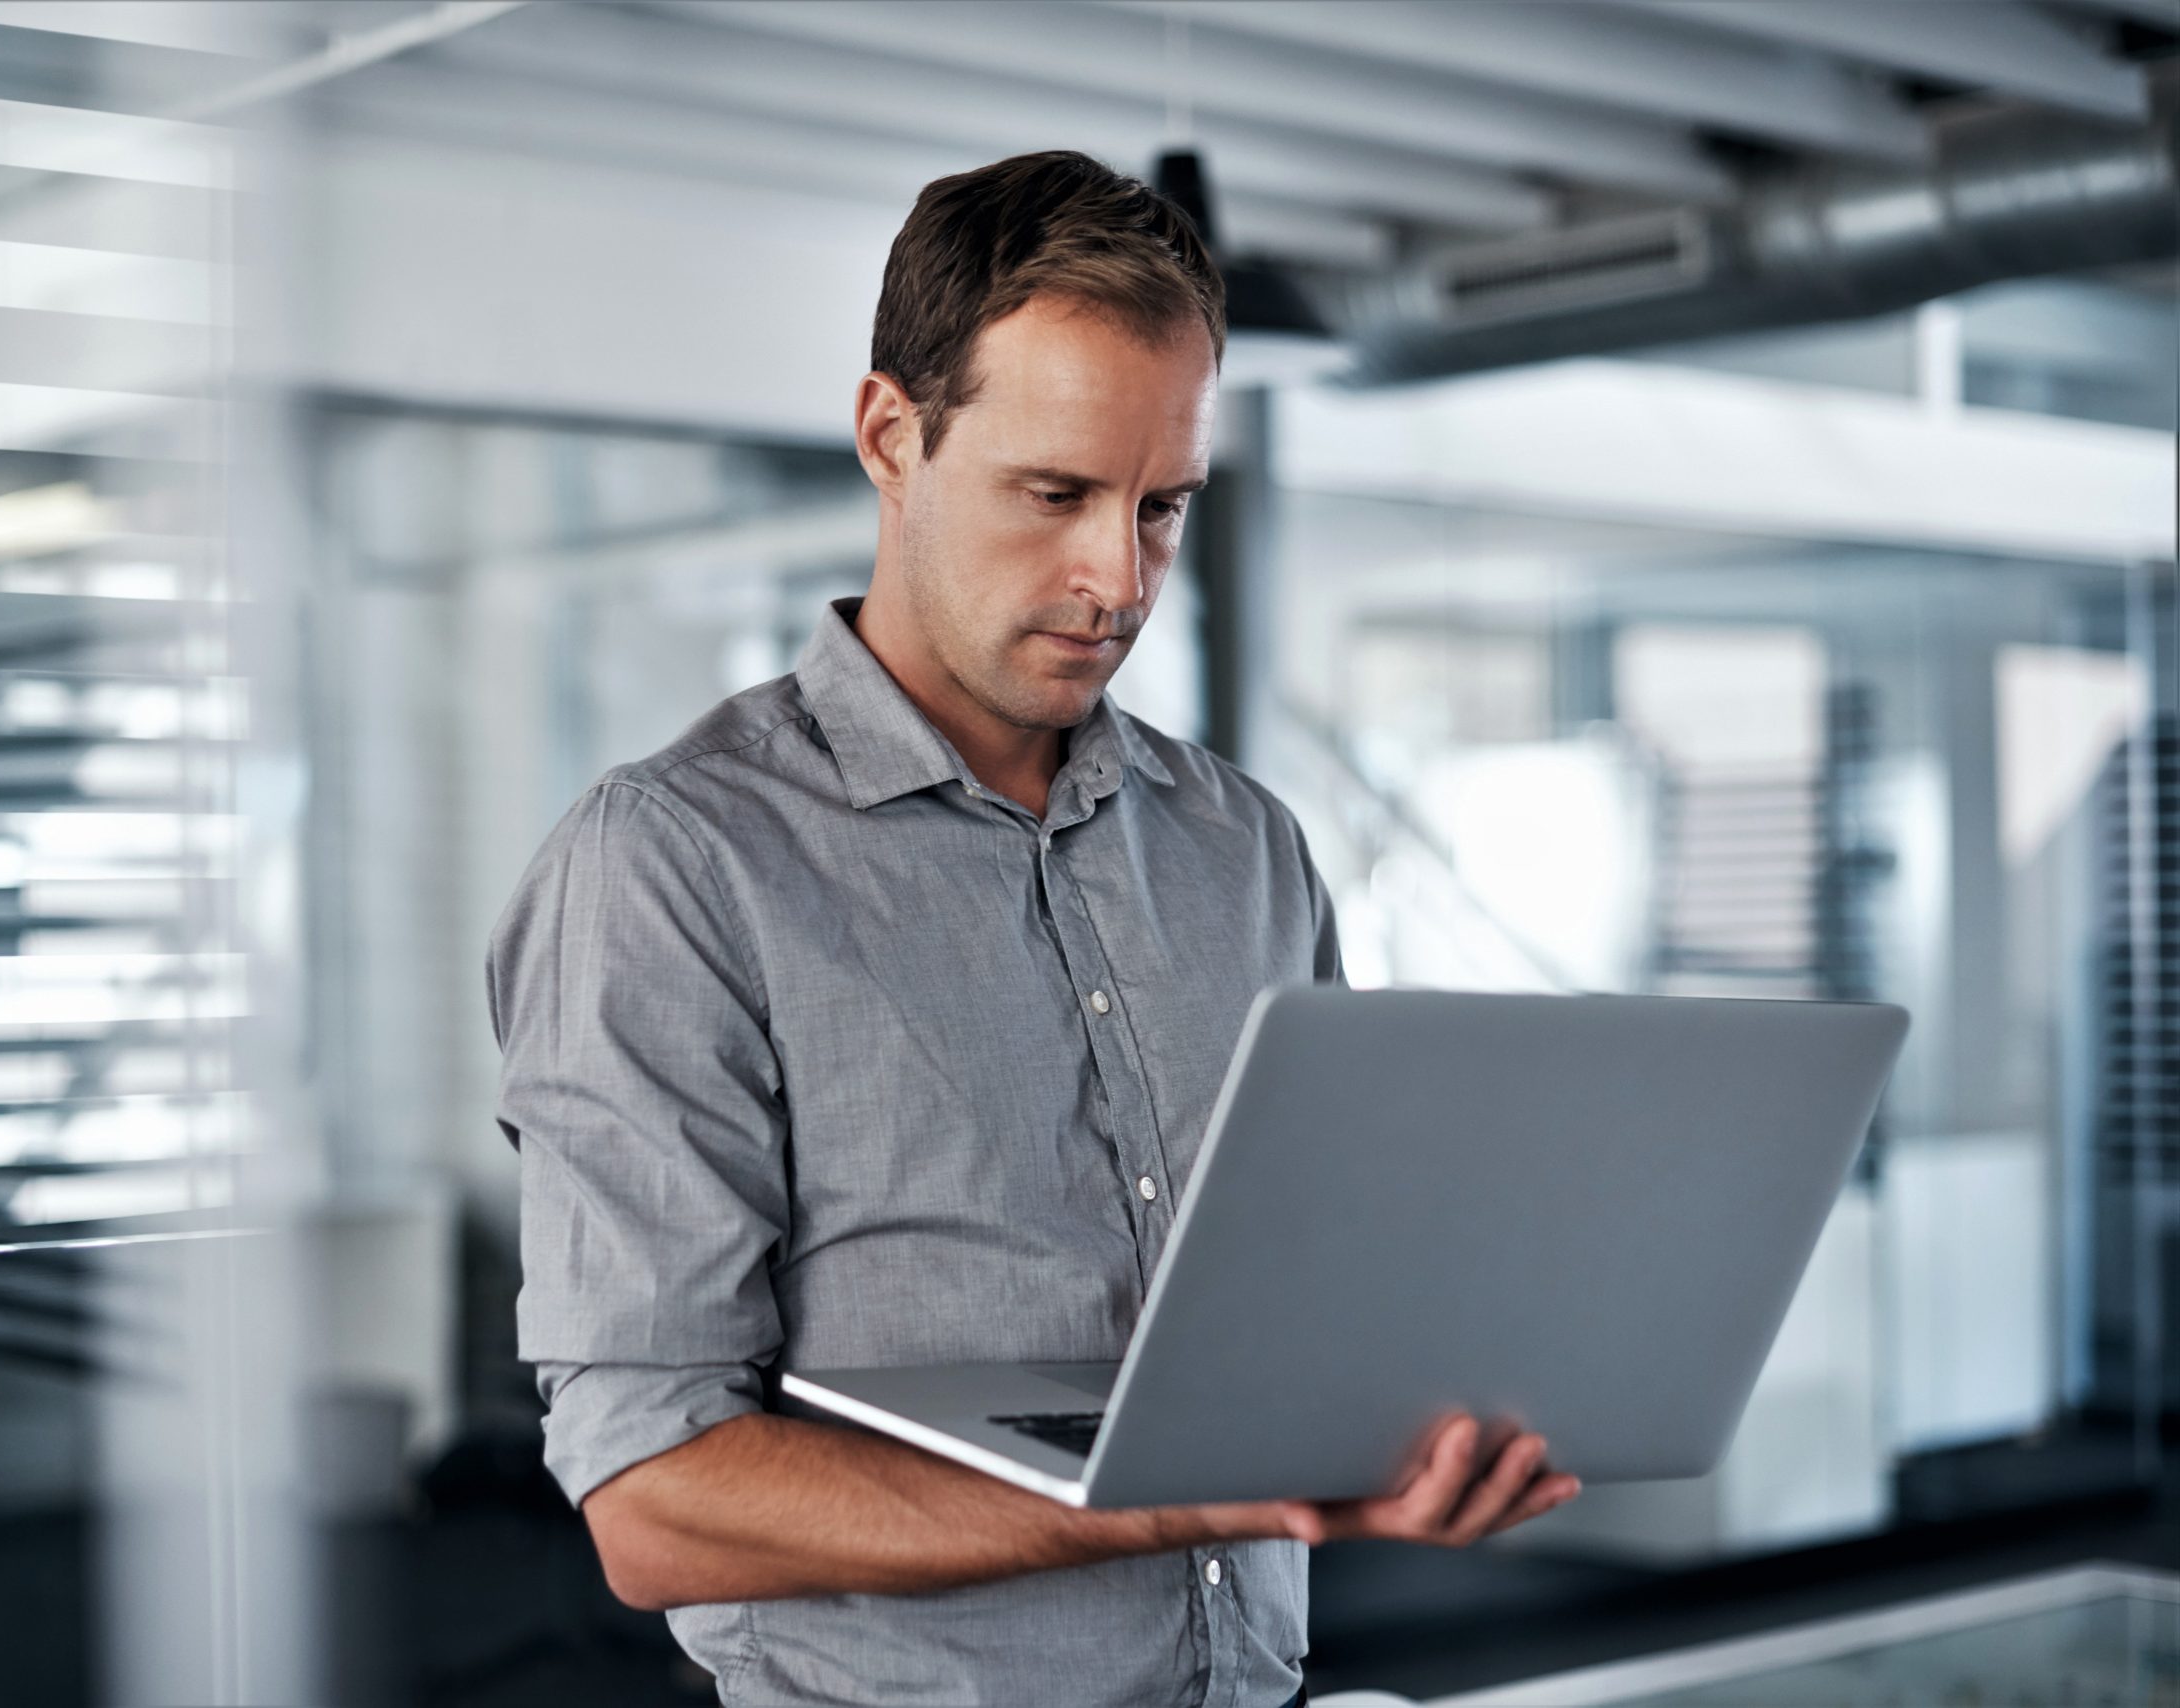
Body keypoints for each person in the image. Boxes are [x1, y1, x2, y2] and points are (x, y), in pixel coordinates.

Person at [486, 150, 1581, 1708]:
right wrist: (1173, 1503)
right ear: (891, 435)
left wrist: (1452, 1394)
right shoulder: (673, 864)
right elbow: (654, 1503)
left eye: (1163, 507)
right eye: (1056, 494)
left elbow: (1315, 1311)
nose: (1115, 578)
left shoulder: (1243, 848)